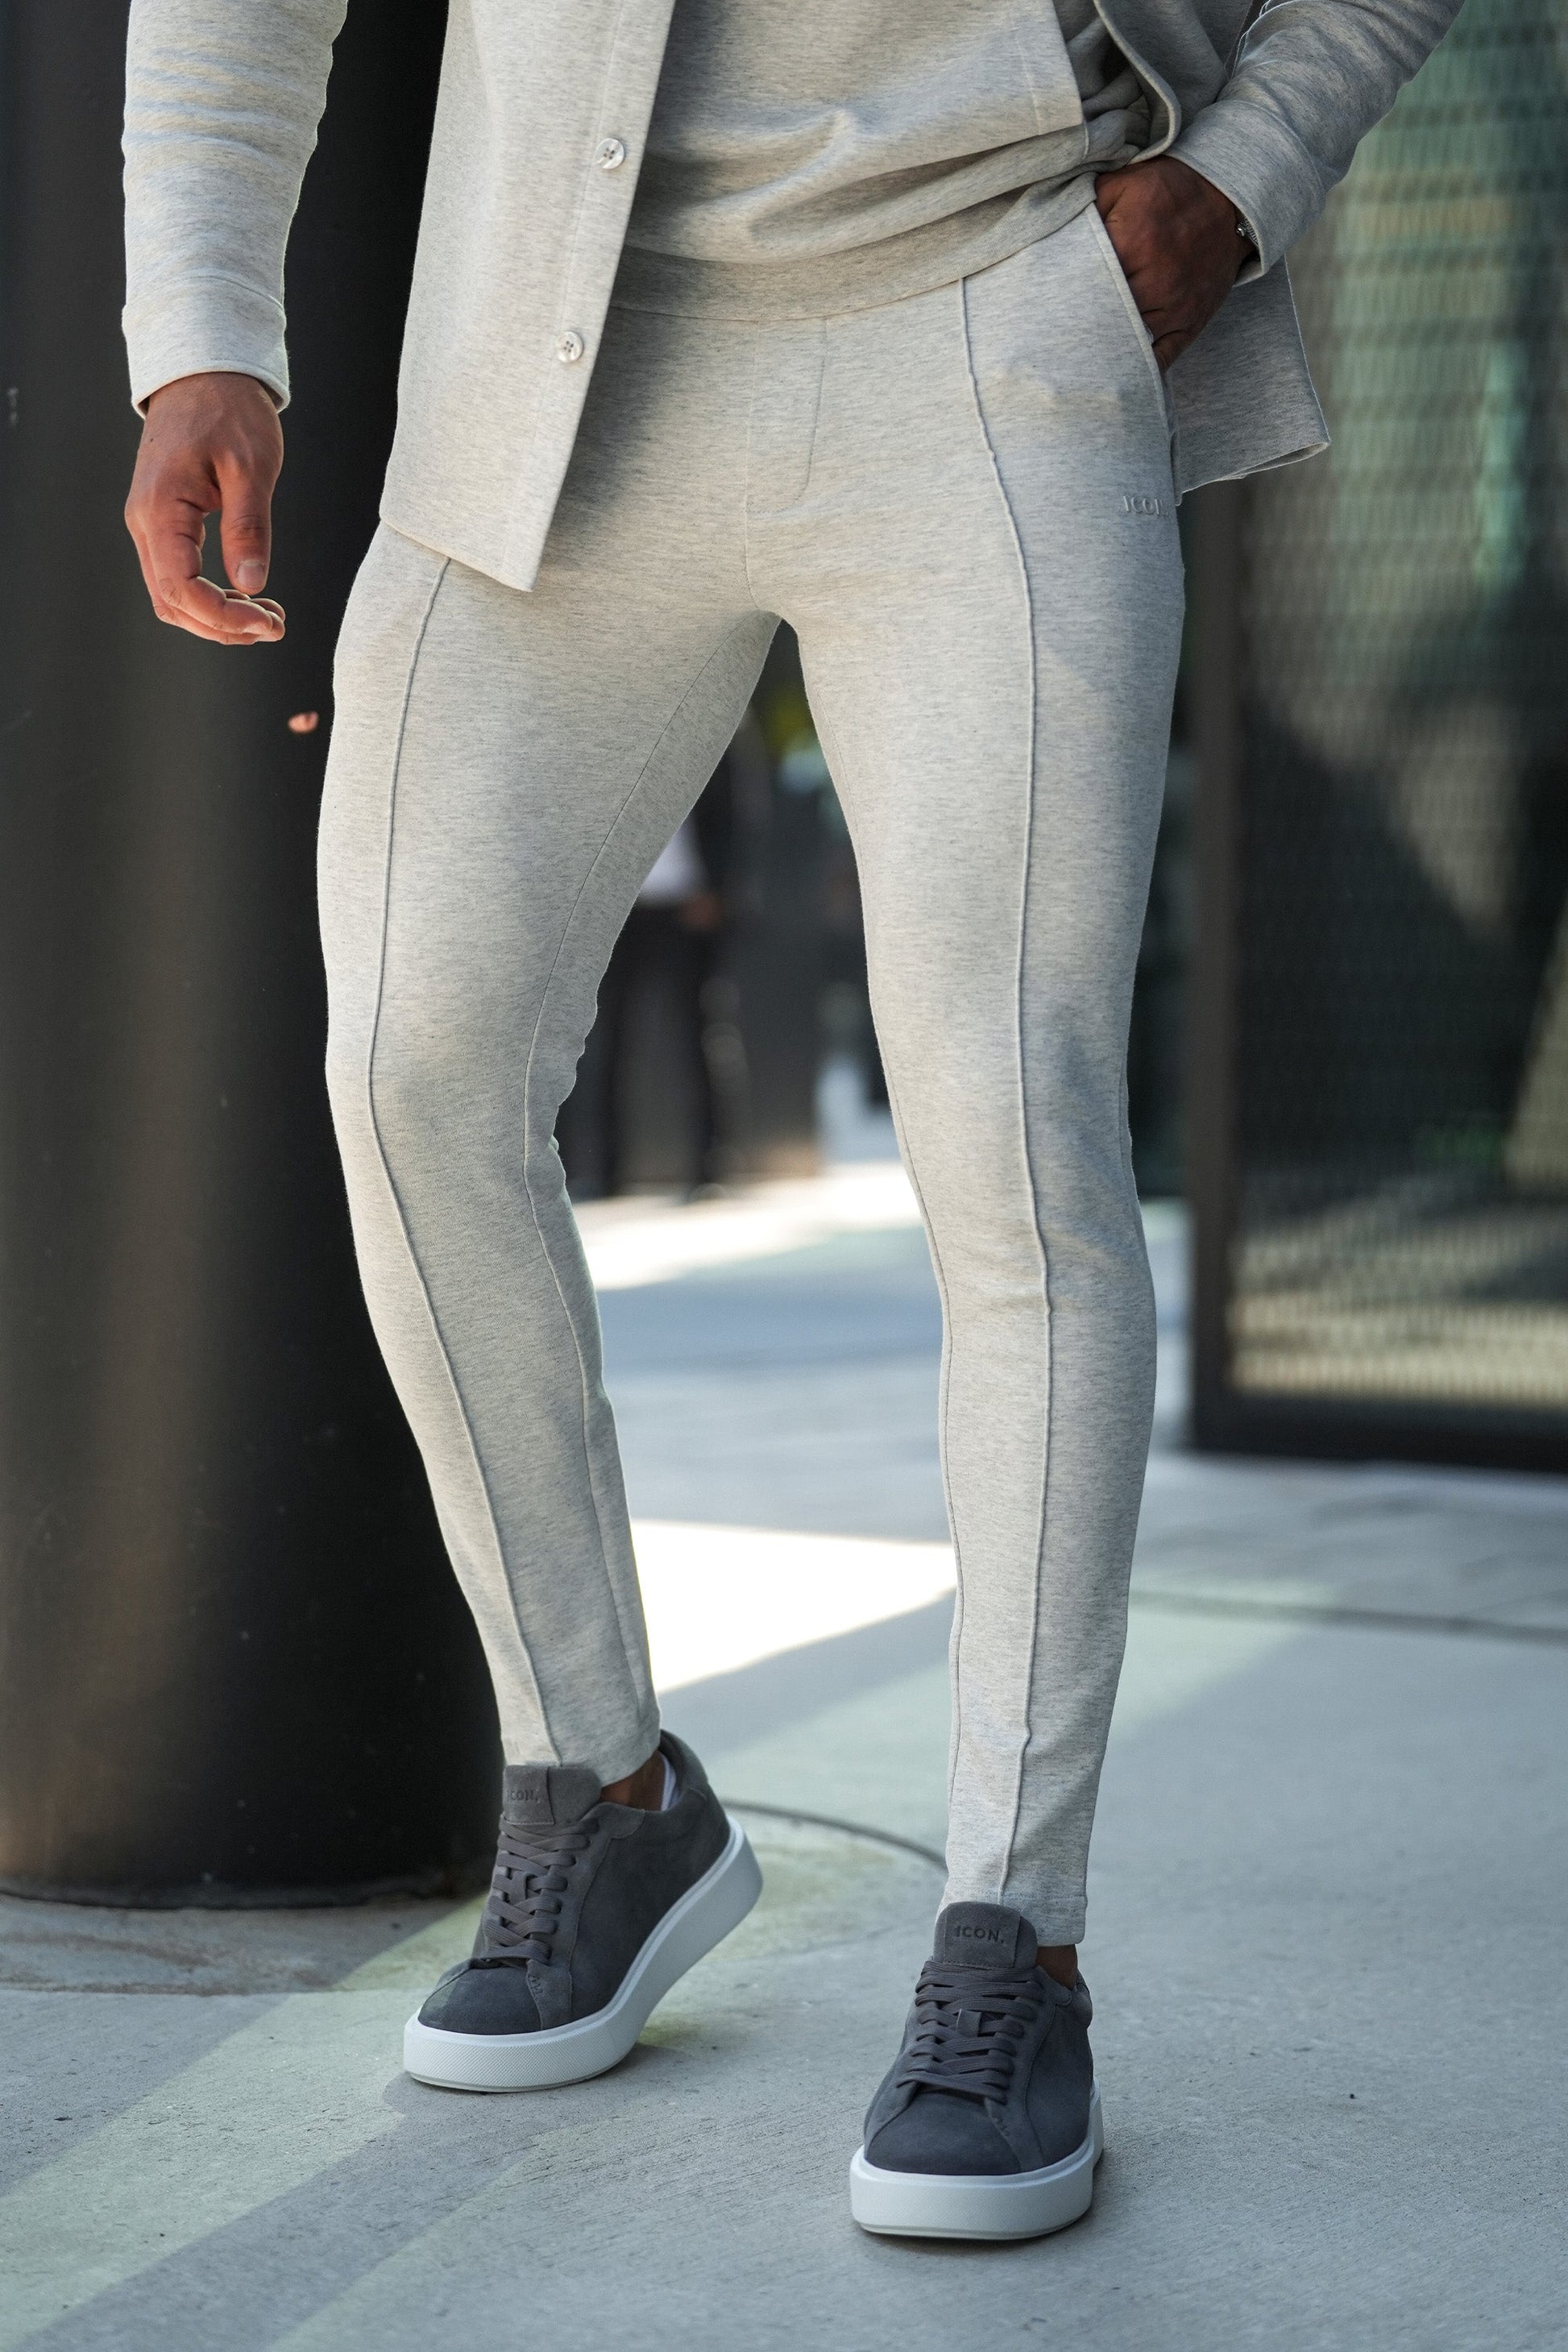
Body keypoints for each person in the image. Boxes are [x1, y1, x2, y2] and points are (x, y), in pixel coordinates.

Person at [122, 0, 1460, 2241]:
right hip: (547, 368)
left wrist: (1240, 178)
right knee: (415, 1069)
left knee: (1011, 1141)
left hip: (994, 324)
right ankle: (603, 1790)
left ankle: (1012, 1937)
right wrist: (199, 335)